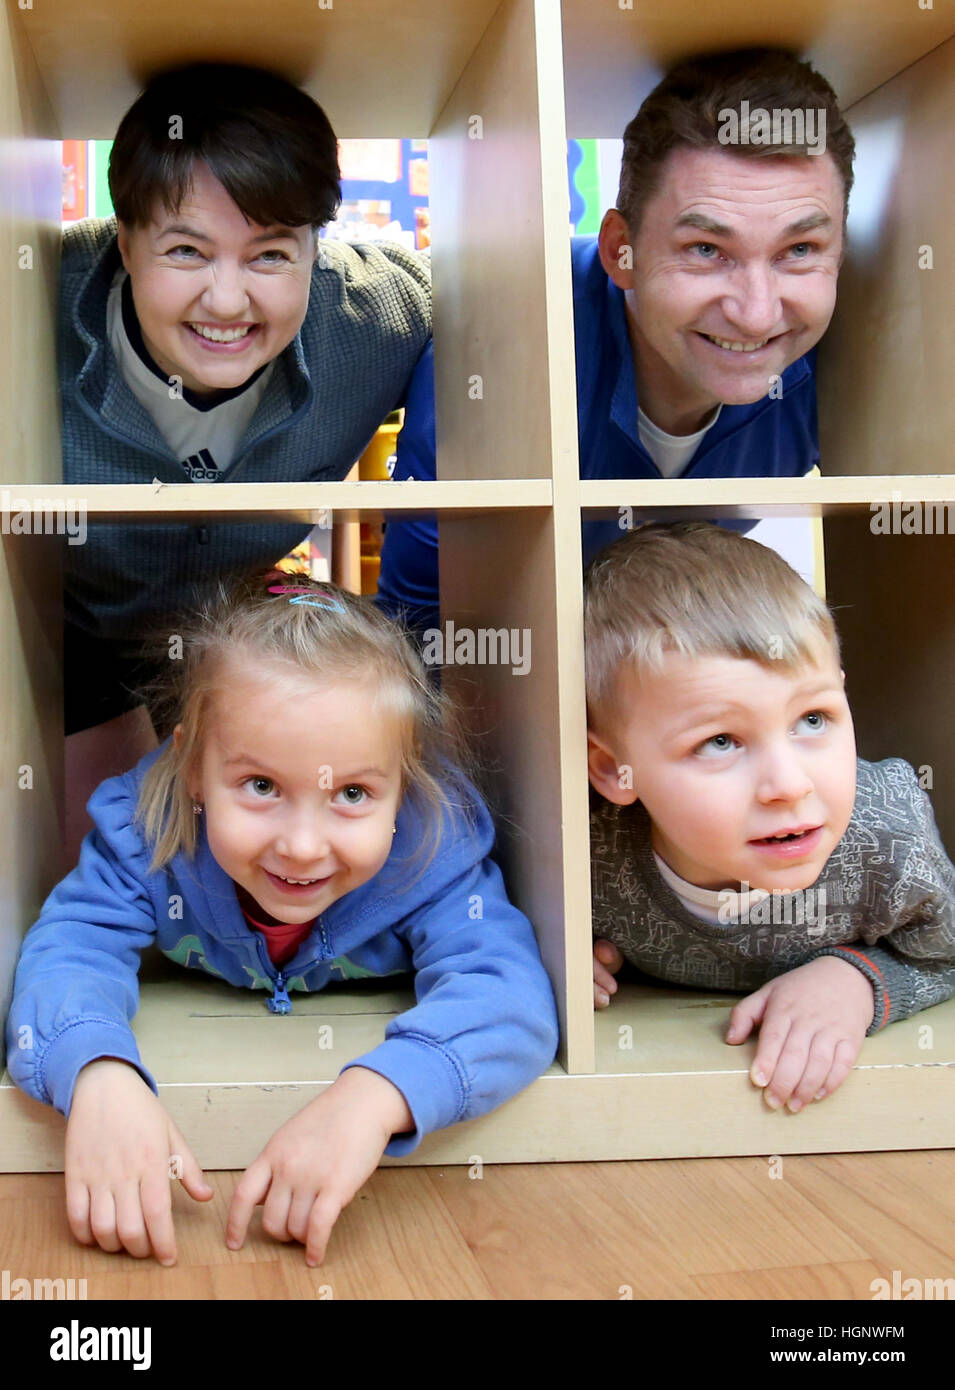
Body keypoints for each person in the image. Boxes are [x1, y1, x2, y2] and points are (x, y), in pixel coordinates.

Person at [6, 572, 558, 1267]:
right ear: (191, 769)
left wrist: (377, 1095)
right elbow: (69, 946)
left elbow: (509, 996)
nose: (302, 845)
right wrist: (95, 1073)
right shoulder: (145, 832)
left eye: (353, 793)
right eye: (261, 786)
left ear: (406, 778)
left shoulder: (430, 850)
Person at [61, 61, 432, 865]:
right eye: (188, 251)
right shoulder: (33, 305)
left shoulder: (384, 316)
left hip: (235, 637)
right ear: (125, 242)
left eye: (269, 256)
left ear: (314, 246)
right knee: (87, 867)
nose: (227, 302)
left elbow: (540, 291)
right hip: (67, 639)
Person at [375, 47, 855, 635]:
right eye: (706, 250)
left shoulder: (855, 356)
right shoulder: (504, 352)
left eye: (799, 251)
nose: (756, 315)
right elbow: (424, 629)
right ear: (618, 251)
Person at [584, 522, 955, 1115]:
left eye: (812, 719)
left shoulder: (886, 830)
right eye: (722, 741)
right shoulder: (586, 847)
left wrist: (856, 980)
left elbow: (946, 947)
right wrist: (556, 958)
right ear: (611, 770)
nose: (789, 785)